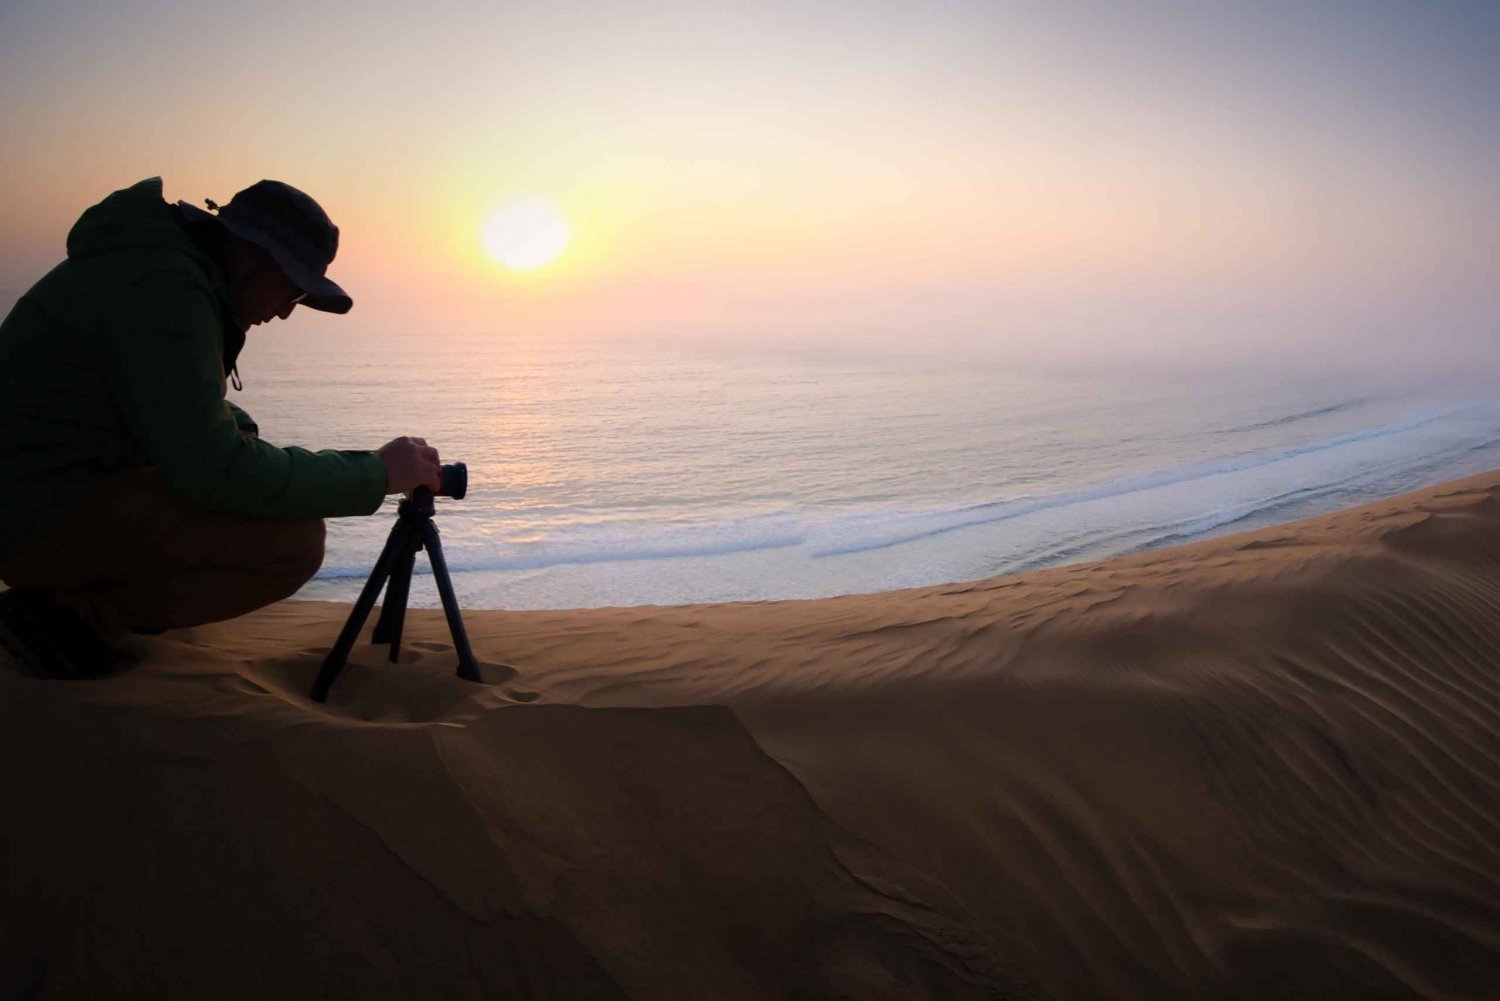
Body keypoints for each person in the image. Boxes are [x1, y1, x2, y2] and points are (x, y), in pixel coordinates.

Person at [0, 177, 442, 679]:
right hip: (28, 517)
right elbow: (213, 469)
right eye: (290, 289)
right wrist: (376, 476)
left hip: (40, 495)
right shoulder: (165, 290)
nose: (282, 311)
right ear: (251, 254)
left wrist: (238, 426)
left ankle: (71, 600)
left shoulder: (156, 269)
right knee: (291, 545)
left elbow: (161, 395)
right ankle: (65, 618)